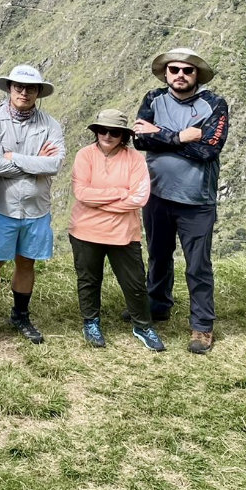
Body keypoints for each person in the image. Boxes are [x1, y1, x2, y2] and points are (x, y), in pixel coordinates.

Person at [133, 48, 230, 354]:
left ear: (196, 75)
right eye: (174, 70)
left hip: (197, 199)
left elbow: (210, 149)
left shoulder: (214, 104)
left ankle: (202, 326)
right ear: (166, 73)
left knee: (198, 264)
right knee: (158, 254)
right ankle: (158, 305)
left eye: (187, 71)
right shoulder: (153, 99)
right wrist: (182, 136)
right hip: (157, 194)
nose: (180, 75)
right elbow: (138, 139)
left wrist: (160, 135)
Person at [0, 65, 64, 346]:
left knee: (27, 262)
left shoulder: (51, 124)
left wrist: (16, 157)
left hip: (37, 208)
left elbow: (55, 164)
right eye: (19, 87)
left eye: (30, 88)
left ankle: (20, 314)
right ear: (9, 89)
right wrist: (35, 161)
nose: (24, 93)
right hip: (2, 206)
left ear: (38, 92)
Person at [70, 109, 165, 351]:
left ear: (123, 135)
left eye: (114, 132)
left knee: (134, 282)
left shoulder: (135, 159)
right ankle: (91, 322)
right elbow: (82, 193)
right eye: (103, 130)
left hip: (123, 233)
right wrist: (121, 193)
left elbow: (140, 198)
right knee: (89, 279)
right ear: (96, 131)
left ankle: (142, 325)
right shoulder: (85, 156)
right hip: (85, 231)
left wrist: (99, 202)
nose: (108, 136)